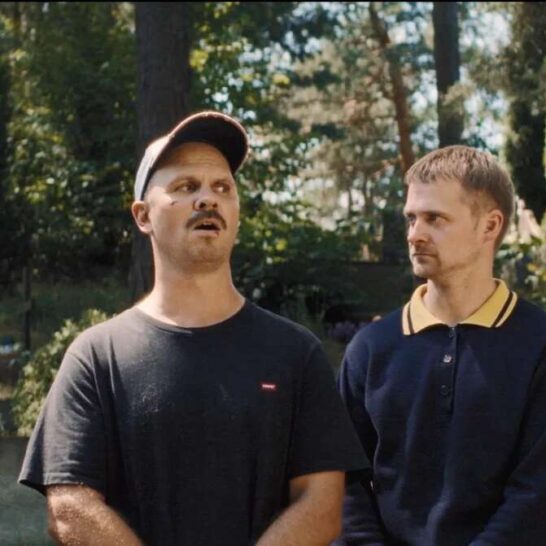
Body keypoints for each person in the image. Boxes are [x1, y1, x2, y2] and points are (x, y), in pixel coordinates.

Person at [19, 111, 367, 546]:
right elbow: (70, 508)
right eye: (186, 187)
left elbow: (322, 504)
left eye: (223, 188)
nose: (208, 199)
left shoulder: (296, 353)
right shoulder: (96, 356)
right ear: (143, 215)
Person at [335, 145, 546, 545]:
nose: (414, 234)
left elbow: (536, 496)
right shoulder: (370, 349)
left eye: (434, 218)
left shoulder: (538, 344)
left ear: (490, 226)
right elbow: (344, 481)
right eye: (411, 218)